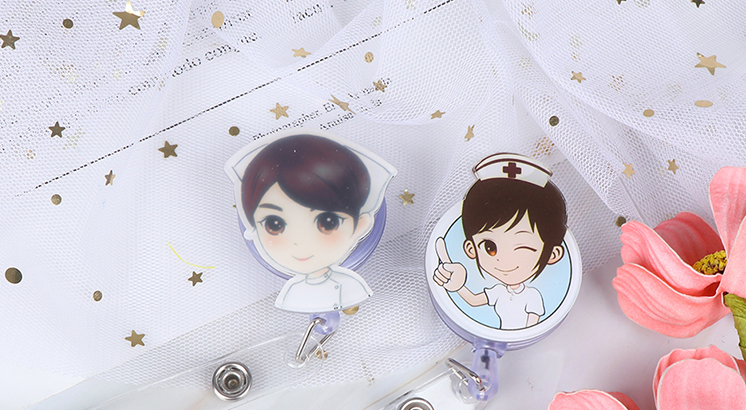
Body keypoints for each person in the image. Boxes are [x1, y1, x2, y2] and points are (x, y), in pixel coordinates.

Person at [226, 131, 396, 313]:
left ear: (360, 225)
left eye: (327, 223)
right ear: (253, 229)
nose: (299, 242)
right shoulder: (292, 294)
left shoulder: (350, 286)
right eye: (274, 225)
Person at [433, 153, 567, 329]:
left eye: (523, 248)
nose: (503, 260)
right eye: (490, 248)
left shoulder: (533, 296)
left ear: (552, 254)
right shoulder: (497, 291)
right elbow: (473, 301)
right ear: (471, 248)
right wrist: (458, 285)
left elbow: (531, 328)